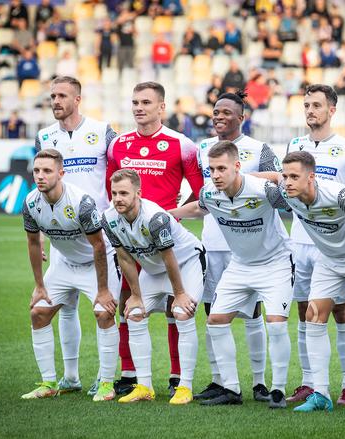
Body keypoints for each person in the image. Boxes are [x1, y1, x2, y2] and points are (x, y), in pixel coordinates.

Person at [170, 141, 292, 407]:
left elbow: (287, 185)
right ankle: (231, 389)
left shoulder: (263, 190)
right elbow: (198, 208)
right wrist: (170, 214)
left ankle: (278, 391)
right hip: (241, 265)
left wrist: (266, 176)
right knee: (215, 320)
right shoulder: (210, 193)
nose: (215, 175)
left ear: (237, 167)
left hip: (275, 263)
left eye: (222, 168)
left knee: (276, 323)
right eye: (212, 169)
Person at [259, 152, 345, 414]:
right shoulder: (287, 195)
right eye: (285, 176)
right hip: (329, 260)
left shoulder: (339, 195)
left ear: (311, 177)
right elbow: (259, 182)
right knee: (313, 316)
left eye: (294, 176)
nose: (287, 182)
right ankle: (321, 393)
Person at [106, 82, 204, 397]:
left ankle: (178, 378)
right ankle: (132, 375)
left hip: (166, 240)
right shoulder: (118, 144)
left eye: (146, 102)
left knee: (177, 309)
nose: (139, 107)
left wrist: (170, 215)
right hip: (131, 239)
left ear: (161, 107)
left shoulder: (182, 144)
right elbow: (111, 190)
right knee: (127, 303)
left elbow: (202, 193)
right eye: (135, 102)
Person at [190, 92, 281, 403]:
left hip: (249, 243)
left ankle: (258, 382)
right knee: (212, 311)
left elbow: (279, 178)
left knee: (253, 311)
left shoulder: (259, 149)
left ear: (241, 117)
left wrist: (240, 178)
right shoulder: (202, 148)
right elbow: (197, 192)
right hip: (213, 240)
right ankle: (220, 380)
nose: (219, 117)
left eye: (227, 112)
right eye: (216, 111)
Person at [35, 76, 118, 396]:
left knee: (104, 309)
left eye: (61, 96)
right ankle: (70, 378)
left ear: (78, 99)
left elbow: (120, 174)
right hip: (62, 239)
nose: (55, 101)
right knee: (63, 307)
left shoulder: (103, 130)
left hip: (99, 236)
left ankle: (105, 377)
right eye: (52, 96)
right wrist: (41, 232)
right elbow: (40, 184)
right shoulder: (44, 135)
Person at [284, 85, 345, 407]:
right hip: (301, 240)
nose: (310, 111)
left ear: (332, 110)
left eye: (316, 105)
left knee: (344, 312)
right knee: (306, 311)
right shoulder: (295, 145)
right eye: (306, 105)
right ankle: (310, 382)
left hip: (338, 243)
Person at [20, 149, 120, 402]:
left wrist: (103, 290)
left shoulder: (81, 203)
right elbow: (33, 243)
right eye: (36, 171)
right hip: (63, 263)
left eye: (47, 171)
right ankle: (50, 382)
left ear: (61, 173)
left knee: (104, 312)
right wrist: (39, 286)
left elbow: (99, 245)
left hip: (95, 262)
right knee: (38, 312)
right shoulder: (31, 202)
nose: (40, 176)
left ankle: (107, 383)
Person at [102, 169, 205, 405]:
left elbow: (169, 256)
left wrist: (179, 294)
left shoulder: (155, 218)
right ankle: (144, 387)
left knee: (182, 313)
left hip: (186, 262)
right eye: (114, 193)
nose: (118, 198)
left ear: (138, 193)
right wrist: (136, 296)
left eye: (124, 193)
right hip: (154, 268)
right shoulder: (108, 218)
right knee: (135, 313)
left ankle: (185, 387)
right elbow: (124, 257)